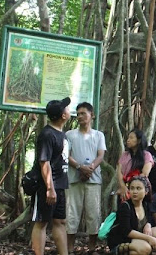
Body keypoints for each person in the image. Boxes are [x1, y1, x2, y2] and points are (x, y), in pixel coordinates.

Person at [31, 97, 71, 255]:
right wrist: (49, 188)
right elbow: (44, 162)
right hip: (47, 186)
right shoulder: (47, 134)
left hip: (60, 185)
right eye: (66, 108)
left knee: (60, 221)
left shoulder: (62, 134)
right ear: (63, 115)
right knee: (41, 222)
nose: (69, 110)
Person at [65, 102, 106, 254]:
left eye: (83, 113)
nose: (80, 116)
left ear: (92, 115)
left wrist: (90, 168)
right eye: (78, 113)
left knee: (93, 213)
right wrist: (79, 167)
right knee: (72, 214)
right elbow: (66, 155)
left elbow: (101, 155)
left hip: (94, 180)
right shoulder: (70, 134)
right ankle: (69, 249)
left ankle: (92, 248)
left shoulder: (98, 135)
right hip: (74, 179)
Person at [107, 176, 156, 255]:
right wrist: (149, 238)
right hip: (122, 239)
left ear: (146, 191)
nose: (134, 191)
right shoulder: (125, 206)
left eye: (138, 188)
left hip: (138, 236)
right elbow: (126, 231)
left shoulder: (146, 204)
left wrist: (148, 225)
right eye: (132, 188)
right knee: (145, 248)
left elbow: (149, 218)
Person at [117, 129, 153, 202]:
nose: (128, 140)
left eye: (131, 138)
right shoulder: (124, 155)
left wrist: (132, 188)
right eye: (128, 138)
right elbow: (119, 171)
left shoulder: (146, 155)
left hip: (140, 188)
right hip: (124, 188)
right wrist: (123, 186)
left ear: (139, 140)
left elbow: (144, 174)